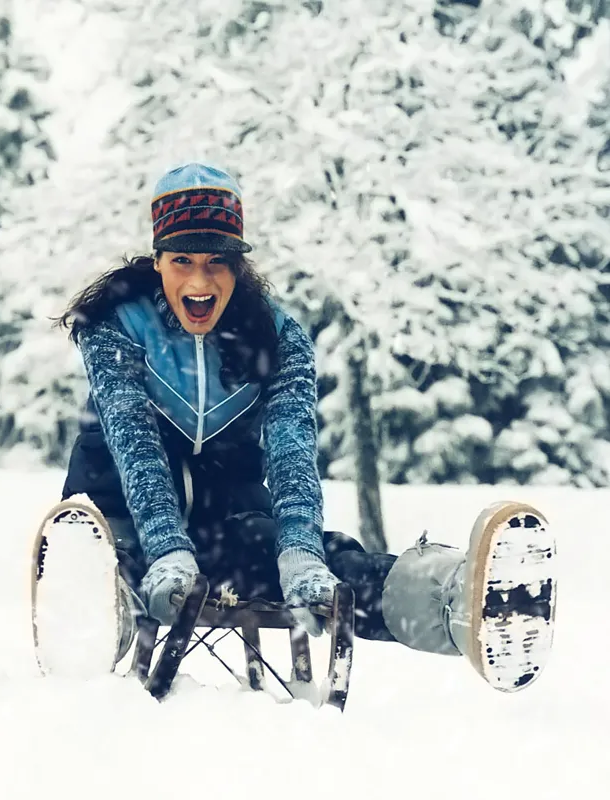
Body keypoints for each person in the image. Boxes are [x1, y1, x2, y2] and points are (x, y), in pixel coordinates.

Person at [50, 161, 557, 693]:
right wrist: (165, 547)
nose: (200, 281)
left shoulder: (277, 336)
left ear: (238, 264)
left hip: (226, 524)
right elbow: (135, 442)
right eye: (183, 261)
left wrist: (300, 554)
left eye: (218, 261)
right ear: (158, 261)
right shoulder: (115, 325)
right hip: (117, 519)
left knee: (329, 567)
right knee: (117, 572)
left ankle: (459, 600)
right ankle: (82, 619)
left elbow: (292, 452)